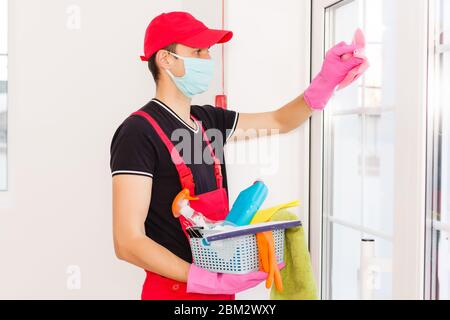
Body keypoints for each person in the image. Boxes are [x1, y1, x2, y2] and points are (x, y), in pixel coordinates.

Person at [110, 11, 364, 300]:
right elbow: (127, 241)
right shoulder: (137, 132)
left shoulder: (208, 120)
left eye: (207, 51)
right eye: (197, 51)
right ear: (166, 59)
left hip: (221, 291)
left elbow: (280, 121)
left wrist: (325, 83)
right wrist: (203, 279)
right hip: (174, 292)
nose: (207, 59)